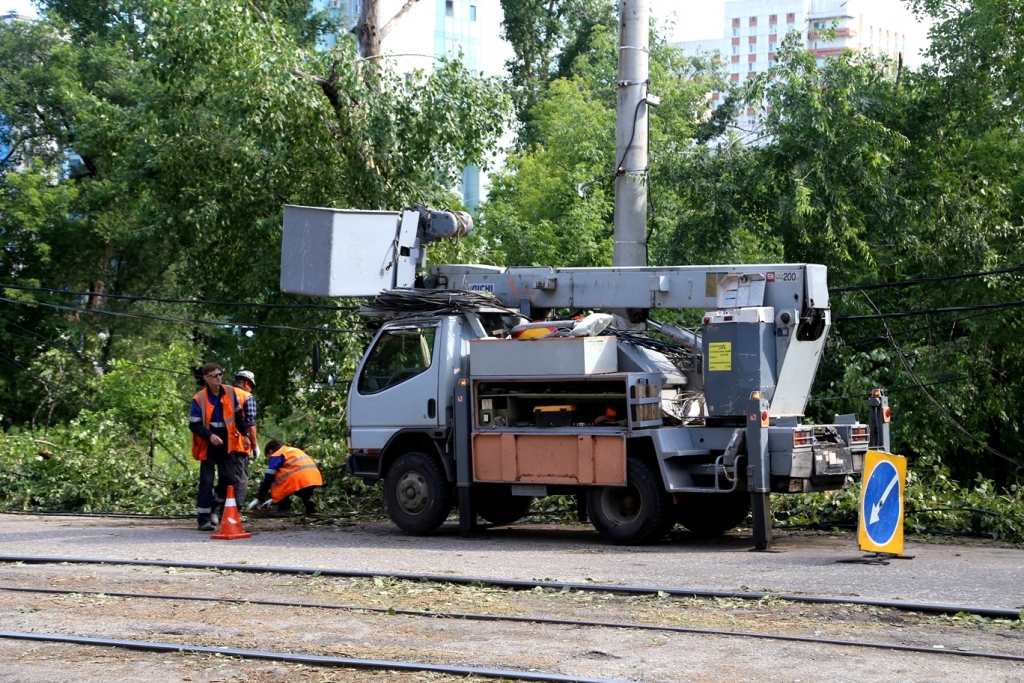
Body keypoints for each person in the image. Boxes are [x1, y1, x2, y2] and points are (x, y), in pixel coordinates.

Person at [189, 362, 247, 531]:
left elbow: (238, 416)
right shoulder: (199, 398)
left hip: (227, 441)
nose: (218, 378)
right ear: (206, 378)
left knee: (229, 479)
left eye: (220, 374)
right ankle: (203, 520)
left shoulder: (229, 392)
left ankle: (214, 504)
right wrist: (210, 435)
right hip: (208, 443)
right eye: (214, 375)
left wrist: (246, 436)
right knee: (206, 481)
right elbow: (194, 425)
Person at [214, 370, 258, 512]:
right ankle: (233, 512)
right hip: (239, 444)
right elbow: (250, 424)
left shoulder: (222, 392)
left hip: (219, 443)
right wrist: (255, 445)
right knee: (240, 479)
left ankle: (215, 508)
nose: (250, 389)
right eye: (250, 385)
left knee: (225, 478)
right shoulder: (247, 397)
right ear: (246, 383)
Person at [249, 440, 323, 515]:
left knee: (275, 474)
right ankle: (308, 500)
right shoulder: (294, 450)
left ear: (270, 452)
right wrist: (272, 500)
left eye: (268, 457)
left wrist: (258, 498)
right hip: (313, 477)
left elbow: (268, 478)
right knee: (299, 482)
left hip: (299, 478)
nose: (270, 460)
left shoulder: (276, 455)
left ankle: (283, 508)